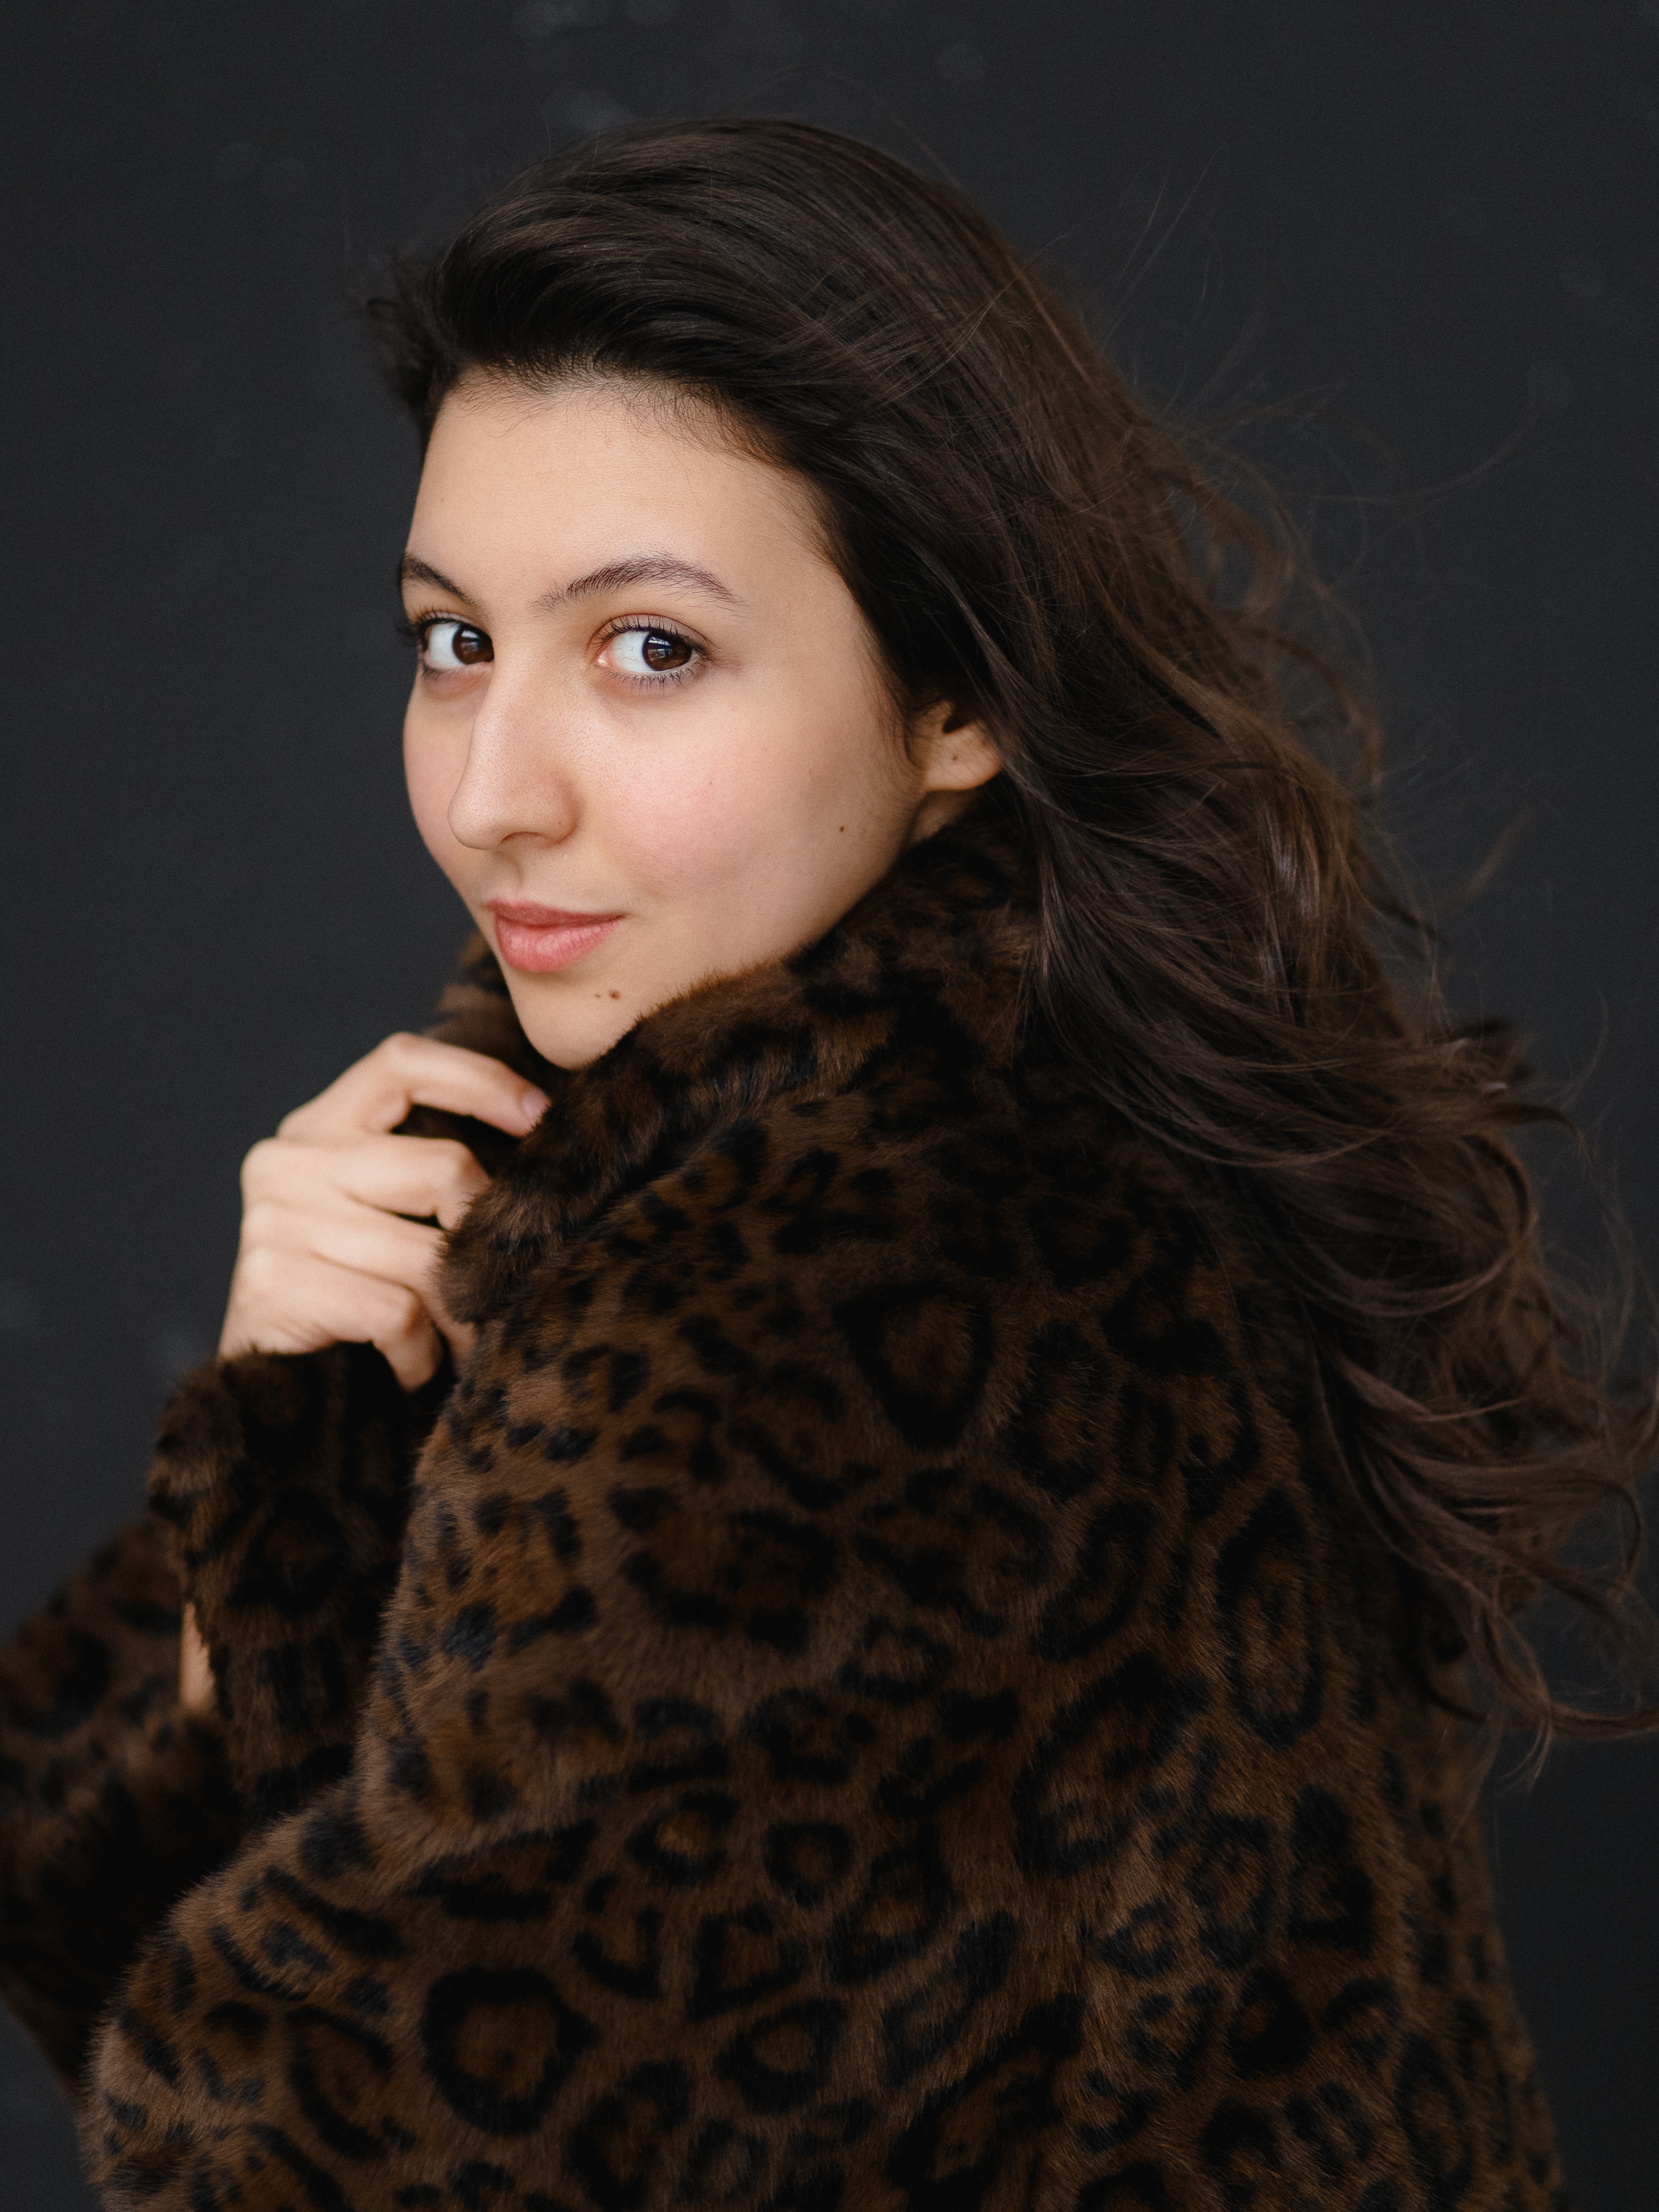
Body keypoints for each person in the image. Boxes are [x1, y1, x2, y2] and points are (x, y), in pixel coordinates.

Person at [0, 116, 1649, 2211]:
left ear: (956, 696)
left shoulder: (861, 1279)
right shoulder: (996, 1126)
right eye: (453, 640)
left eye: (650, 648)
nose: (493, 792)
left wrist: (287, 1477)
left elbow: (311, 2150)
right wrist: (295, 1425)